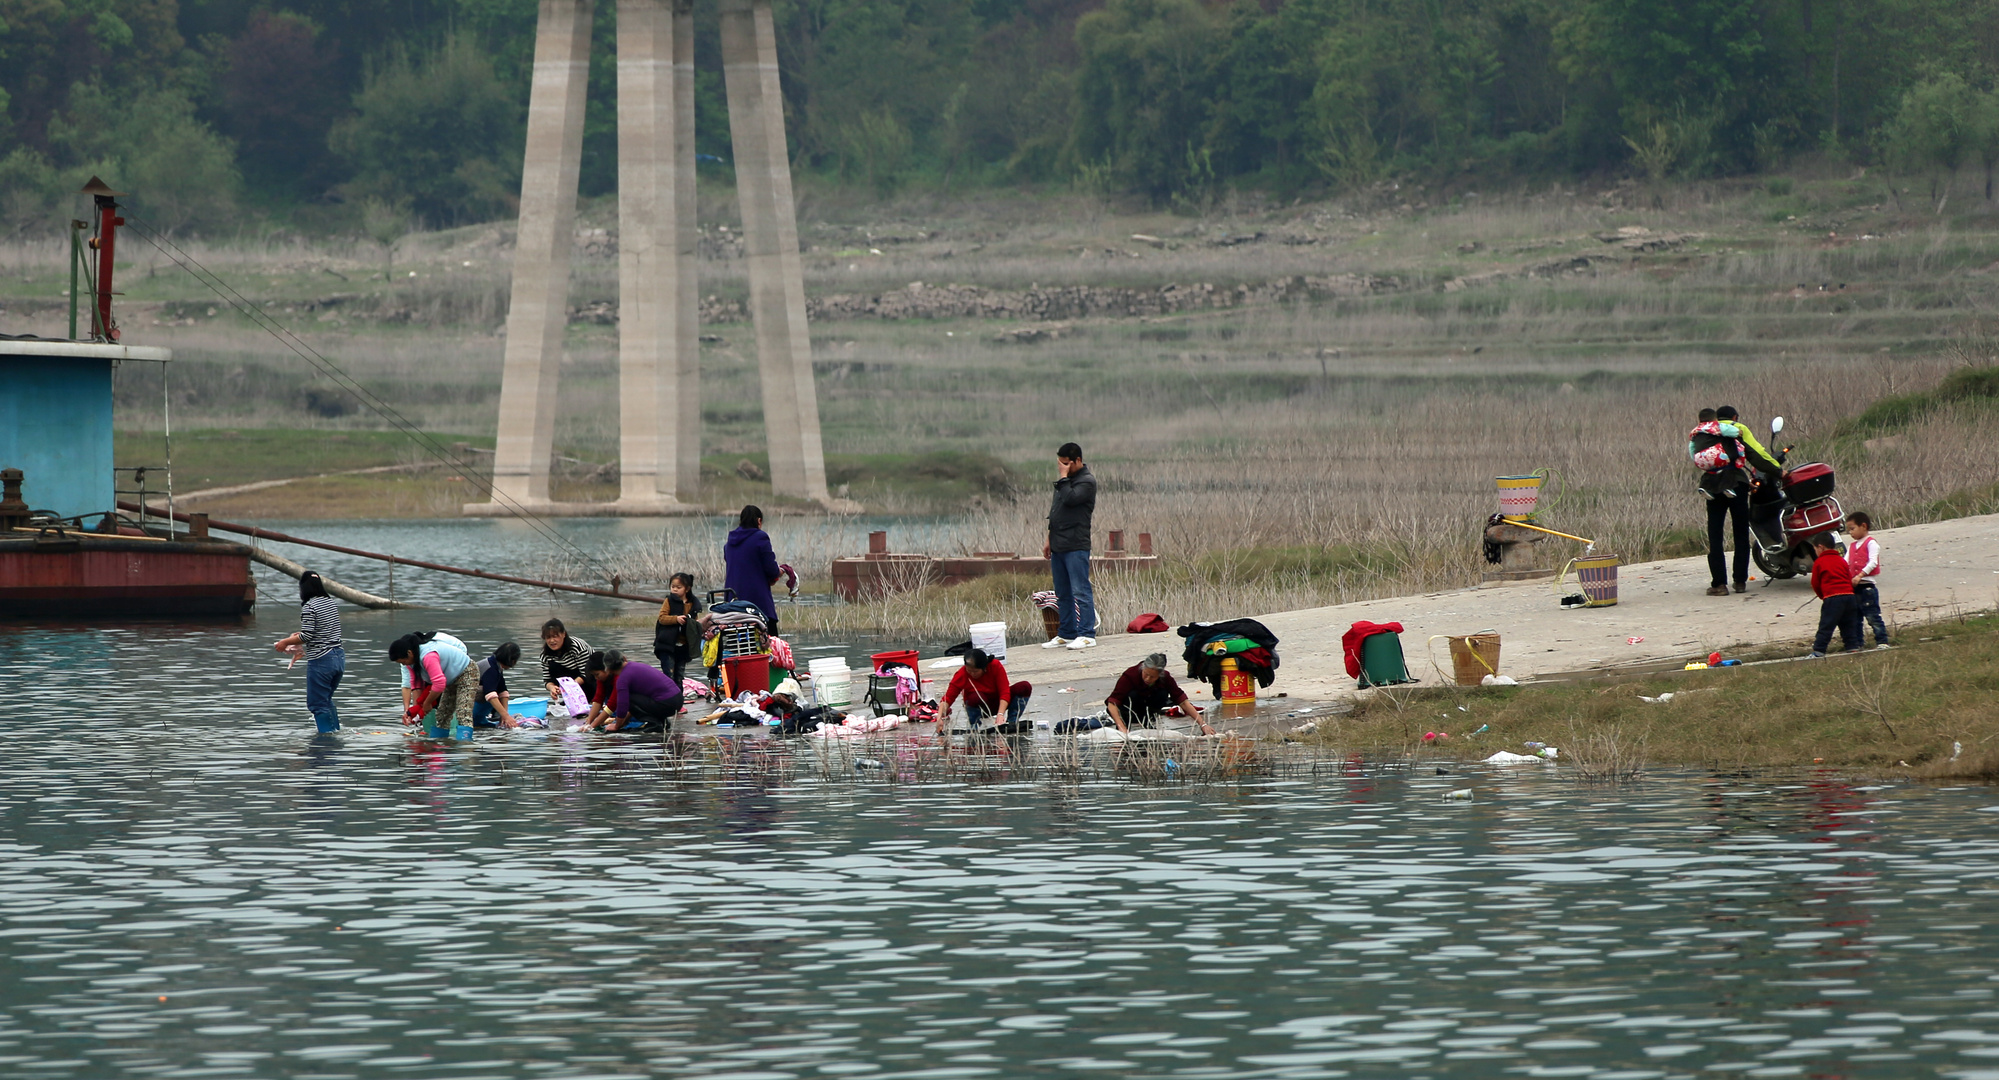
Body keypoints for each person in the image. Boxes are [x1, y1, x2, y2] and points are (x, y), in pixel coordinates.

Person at [1042, 441, 1099, 650]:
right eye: (1060, 464)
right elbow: (1056, 510)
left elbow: (1070, 499)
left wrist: (1063, 478)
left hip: (1076, 544)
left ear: (1078, 461)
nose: (1063, 468)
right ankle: (1066, 632)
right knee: (1062, 592)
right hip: (1058, 544)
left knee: (1080, 590)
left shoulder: (1086, 481)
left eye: (1067, 464)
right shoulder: (1064, 482)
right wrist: (1049, 539)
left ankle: (1086, 633)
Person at [272, 571, 344, 734]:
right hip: (338, 657)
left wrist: (285, 642)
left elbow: (307, 636)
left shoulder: (310, 607)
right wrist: (298, 637)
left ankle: (326, 741)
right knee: (326, 700)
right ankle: (336, 732)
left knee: (317, 704)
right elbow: (322, 631)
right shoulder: (330, 603)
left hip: (321, 660)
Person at [1106, 653, 1214, 735]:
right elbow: (1112, 703)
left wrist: (1203, 724)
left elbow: (1183, 702)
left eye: (1152, 677)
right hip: (1128, 709)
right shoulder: (1131, 674)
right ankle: (1126, 723)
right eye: (1146, 674)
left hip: (1146, 709)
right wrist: (1121, 727)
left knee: (1162, 694)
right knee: (1133, 695)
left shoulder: (1166, 677)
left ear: (1160, 675)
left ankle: (1147, 721)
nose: (1148, 679)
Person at [391, 631, 477, 732]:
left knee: (463, 713)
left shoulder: (428, 656)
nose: (404, 665)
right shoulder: (412, 662)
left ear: (409, 653)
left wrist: (427, 703)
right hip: (449, 680)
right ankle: (440, 745)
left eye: (403, 662)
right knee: (442, 715)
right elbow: (416, 685)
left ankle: (465, 746)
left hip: (466, 672)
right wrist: (412, 712)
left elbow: (439, 684)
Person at [724, 504, 784, 633]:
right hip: (757, 604)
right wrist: (782, 571)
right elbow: (772, 570)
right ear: (759, 521)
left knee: (739, 648)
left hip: (733, 606)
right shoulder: (760, 537)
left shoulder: (729, 543)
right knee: (769, 644)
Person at [592, 649, 682, 734]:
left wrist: (616, 726)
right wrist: (623, 722)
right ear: (624, 658)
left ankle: (654, 724)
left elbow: (623, 706)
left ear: (608, 669)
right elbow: (636, 706)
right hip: (678, 699)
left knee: (629, 698)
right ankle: (663, 722)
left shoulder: (622, 679)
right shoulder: (634, 666)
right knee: (636, 697)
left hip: (667, 703)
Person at [939, 649, 1029, 731]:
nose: (972, 674)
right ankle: (974, 725)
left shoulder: (995, 666)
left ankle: (1012, 721)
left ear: (984, 668)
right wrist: (939, 718)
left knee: (1024, 686)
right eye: (969, 671)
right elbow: (947, 699)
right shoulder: (961, 674)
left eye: (975, 671)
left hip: (998, 702)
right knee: (975, 697)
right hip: (979, 706)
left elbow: (1004, 691)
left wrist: (1000, 714)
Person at [1807, 532, 1863, 658]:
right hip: (1849, 596)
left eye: (1815, 549)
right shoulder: (1841, 560)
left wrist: (1824, 596)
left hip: (1832, 597)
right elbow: (1848, 577)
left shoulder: (1819, 562)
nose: (1815, 552)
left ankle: (1819, 650)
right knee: (1849, 625)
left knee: (1826, 625)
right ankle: (1852, 647)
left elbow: (1815, 583)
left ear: (1821, 547)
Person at [1845, 512, 1889, 648]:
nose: (1850, 533)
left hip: (1867, 586)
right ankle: (1858, 643)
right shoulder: (1852, 547)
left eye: (1852, 529)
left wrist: (1860, 575)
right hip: (1854, 587)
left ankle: (1882, 641)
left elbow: (1873, 562)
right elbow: (1845, 562)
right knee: (1855, 618)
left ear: (1863, 526)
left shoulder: (1871, 543)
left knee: (1872, 616)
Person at [654, 572, 703, 684]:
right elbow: (662, 618)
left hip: (683, 646)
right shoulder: (669, 601)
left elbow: (695, 623)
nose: (675, 589)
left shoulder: (693, 605)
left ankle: (679, 698)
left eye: (678, 587)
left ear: (687, 589)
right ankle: (668, 698)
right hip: (667, 645)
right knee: (668, 675)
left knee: (679, 676)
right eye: (673, 587)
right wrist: (676, 619)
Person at [539, 619, 595, 703]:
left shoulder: (577, 647)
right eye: (548, 637)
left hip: (590, 682)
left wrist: (569, 688)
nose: (552, 641)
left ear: (563, 634)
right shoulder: (545, 655)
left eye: (555, 636)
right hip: (569, 687)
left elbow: (586, 674)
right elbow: (547, 681)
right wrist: (553, 688)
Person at [474, 642, 522, 729]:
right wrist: (506, 716)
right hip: (471, 704)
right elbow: (490, 694)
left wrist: (503, 716)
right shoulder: (490, 668)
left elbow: (503, 692)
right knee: (490, 694)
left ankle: (480, 721)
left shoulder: (497, 667)